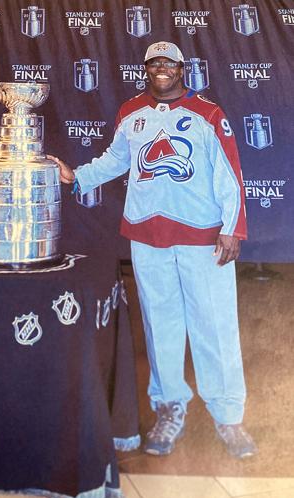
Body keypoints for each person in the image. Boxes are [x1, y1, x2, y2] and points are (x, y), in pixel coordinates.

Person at [50, 41, 257, 459]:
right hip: (147, 237)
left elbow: (229, 173)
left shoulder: (208, 114)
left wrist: (232, 228)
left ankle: (228, 417)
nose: (161, 69)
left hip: (203, 236)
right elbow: (115, 159)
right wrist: (77, 176)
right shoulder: (131, 112)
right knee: (161, 326)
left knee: (214, 327)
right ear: (145, 69)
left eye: (169, 63)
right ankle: (169, 409)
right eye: (153, 64)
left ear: (183, 69)